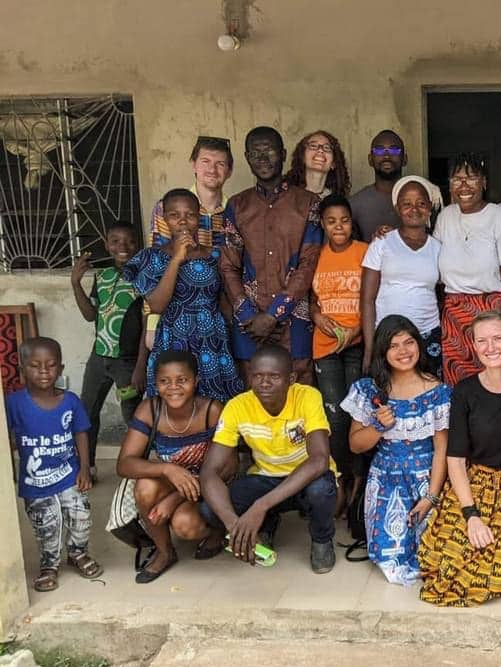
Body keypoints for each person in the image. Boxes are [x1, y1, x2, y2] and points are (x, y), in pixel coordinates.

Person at [419, 311, 501, 605]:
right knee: (450, 566)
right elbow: (456, 460)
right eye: (482, 341)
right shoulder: (465, 391)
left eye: (498, 338)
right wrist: (471, 515)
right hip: (475, 484)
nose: (491, 347)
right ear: (473, 346)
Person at [198, 345, 338, 573]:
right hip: (265, 478)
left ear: (291, 378)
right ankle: (266, 524)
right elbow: (209, 472)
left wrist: (259, 506)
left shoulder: (308, 397)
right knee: (209, 510)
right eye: (257, 376)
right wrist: (234, 525)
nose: (264, 383)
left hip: (305, 479)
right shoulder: (237, 406)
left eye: (273, 376)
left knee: (321, 489)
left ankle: (321, 540)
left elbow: (319, 460)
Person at [341, 315, 451, 586]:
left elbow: (442, 450)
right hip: (386, 481)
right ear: (382, 352)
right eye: (394, 345)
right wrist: (378, 426)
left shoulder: (438, 391)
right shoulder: (369, 390)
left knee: (439, 557)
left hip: (429, 479)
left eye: (409, 342)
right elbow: (355, 445)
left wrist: (431, 498)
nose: (403, 351)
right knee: (392, 561)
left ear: (419, 345)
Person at [220, 126, 323, 386]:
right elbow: (228, 265)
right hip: (249, 325)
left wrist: (274, 314)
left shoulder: (309, 203)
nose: (263, 159)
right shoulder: (237, 205)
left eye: (269, 151)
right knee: (253, 397)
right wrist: (248, 315)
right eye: (255, 153)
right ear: (246, 157)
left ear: (284, 154)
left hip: (294, 321)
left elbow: (309, 263)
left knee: (300, 397)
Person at [124, 189, 243, 403]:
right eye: (174, 215)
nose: (183, 221)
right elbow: (157, 305)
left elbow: (225, 303)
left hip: (212, 340)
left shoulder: (216, 254)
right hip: (173, 339)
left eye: (190, 214)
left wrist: (230, 343)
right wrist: (177, 258)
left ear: (199, 217)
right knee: (175, 400)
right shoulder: (152, 257)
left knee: (213, 404)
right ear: (164, 219)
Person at [116, 350, 224, 583]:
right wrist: (167, 469)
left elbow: (227, 468)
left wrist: (175, 498)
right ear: (156, 384)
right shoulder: (150, 410)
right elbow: (125, 463)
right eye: (165, 381)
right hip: (174, 481)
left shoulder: (211, 411)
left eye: (182, 380)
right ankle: (164, 551)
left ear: (196, 381)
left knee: (186, 526)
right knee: (145, 487)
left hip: (208, 486)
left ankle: (217, 531)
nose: (173, 387)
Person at [5, 337, 101, 592]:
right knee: (47, 524)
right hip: (36, 481)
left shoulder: (70, 401)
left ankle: (78, 553)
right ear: (22, 367)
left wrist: (84, 468)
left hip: (70, 474)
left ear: (61, 368)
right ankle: (49, 564)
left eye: (51, 365)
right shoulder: (13, 403)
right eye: (36, 365)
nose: (44, 371)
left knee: (81, 516)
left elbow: (81, 432)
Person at [435, 153, 501, 385]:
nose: (463, 185)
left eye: (471, 178)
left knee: (497, 385)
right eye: (457, 179)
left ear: (484, 182)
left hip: (493, 313)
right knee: (459, 388)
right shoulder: (445, 217)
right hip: (454, 320)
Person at [72, 220, 146, 477]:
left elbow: (147, 326)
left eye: (129, 241)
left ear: (138, 245)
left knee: (133, 418)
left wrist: (140, 367)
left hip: (127, 364)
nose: (122, 246)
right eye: (115, 241)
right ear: (107, 244)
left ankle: (141, 468)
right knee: (87, 411)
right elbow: (91, 315)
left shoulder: (143, 279)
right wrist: (75, 283)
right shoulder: (102, 276)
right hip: (98, 358)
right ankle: (88, 466)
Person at [311, 195, 367, 507]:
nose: (338, 226)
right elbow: (309, 300)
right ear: (322, 224)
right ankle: (341, 478)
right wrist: (318, 317)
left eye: (344, 220)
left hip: (356, 346)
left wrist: (357, 330)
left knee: (357, 415)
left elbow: (375, 296)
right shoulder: (315, 256)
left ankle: (359, 478)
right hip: (325, 346)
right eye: (331, 221)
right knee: (335, 419)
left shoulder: (365, 251)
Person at [360, 176, 443, 377]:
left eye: (421, 204)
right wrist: (369, 348)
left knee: (429, 392)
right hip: (388, 337)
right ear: (397, 208)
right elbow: (367, 299)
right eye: (406, 204)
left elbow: (444, 294)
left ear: (430, 207)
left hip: (427, 333)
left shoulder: (439, 248)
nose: (414, 209)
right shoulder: (382, 243)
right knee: (389, 396)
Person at [149, 135, 233, 248]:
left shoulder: (235, 211)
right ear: (194, 165)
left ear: (229, 172)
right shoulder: (166, 207)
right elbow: (157, 258)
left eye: (220, 164)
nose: (212, 169)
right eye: (205, 161)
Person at [350, 130, 407, 242]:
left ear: (404, 159)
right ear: (370, 159)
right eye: (379, 150)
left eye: (394, 150)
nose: (386, 155)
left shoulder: (420, 201)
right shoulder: (355, 204)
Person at [285, 129, 351, 199]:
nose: (320, 150)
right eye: (313, 146)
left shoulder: (337, 201)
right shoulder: (287, 194)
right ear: (302, 157)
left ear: (333, 163)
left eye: (327, 147)